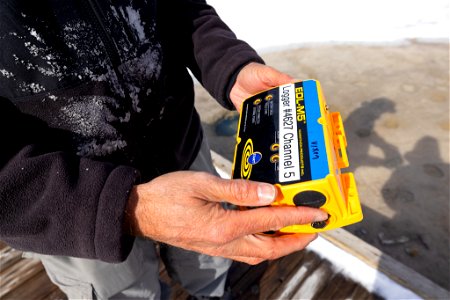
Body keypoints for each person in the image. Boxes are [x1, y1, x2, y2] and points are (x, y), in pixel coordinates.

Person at [0, 0, 328, 299]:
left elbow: (180, 9)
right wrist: (125, 207)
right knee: (123, 292)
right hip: (70, 205)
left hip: (182, 150)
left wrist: (229, 66)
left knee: (212, 262)